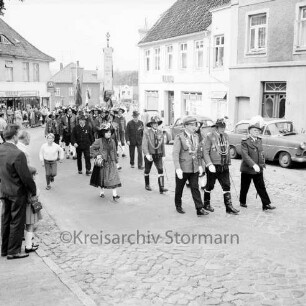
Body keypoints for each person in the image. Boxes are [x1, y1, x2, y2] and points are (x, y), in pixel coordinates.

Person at [0, 124, 37, 259]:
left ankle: (4, 249)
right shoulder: (18, 153)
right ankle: (13, 251)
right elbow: (26, 177)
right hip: (17, 192)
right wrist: (33, 190)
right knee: (16, 221)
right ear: (15, 136)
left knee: (5, 220)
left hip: (4, 190)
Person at [172, 116, 208, 216]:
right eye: (192, 125)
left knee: (195, 188)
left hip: (194, 168)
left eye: (195, 125)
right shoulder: (179, 137)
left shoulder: (196, 136)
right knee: (179, 188)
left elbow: (198, 152)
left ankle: (199, 209)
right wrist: (178, 168)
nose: (194, 127)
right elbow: (175, 153)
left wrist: (200, 166)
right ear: (186, 126)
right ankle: (178, 205)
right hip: (183, 168)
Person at [203, 118, 239, 215]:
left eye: (224, 127)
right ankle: (206, 204)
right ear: (216, 127)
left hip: (224, 165)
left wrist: (228, 162)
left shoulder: (226, 136)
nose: (223, 129)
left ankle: (229, 207)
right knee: (210, 185)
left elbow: (226, 150)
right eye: (220, 127)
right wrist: (209, 164)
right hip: (213, 165)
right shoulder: (210, 137)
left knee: (226, 185)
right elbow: (205, 151)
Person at [239, 116, 275, 211]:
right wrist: (253, 165)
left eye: (258, 130)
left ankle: (266, 204)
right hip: (248, 169)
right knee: (244, 187)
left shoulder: (259, 140)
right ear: (249, 131)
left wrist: (262, 164)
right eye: (255, 130)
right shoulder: (245, 141)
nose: (257, 132)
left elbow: (260, 153)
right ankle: (242, 201)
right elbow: (245, 156)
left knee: (261, 187)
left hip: (258, 169)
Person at [17, 130, 41, 253]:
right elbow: (25, 171)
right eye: (29, 137)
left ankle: (28, 241)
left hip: (20, 188)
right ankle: (28, 245)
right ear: (25, 137)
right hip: (27, 189)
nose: (30, 140)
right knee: (31, 217)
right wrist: (34, 170)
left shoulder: (17, 148)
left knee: (27, 217)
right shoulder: (23, 152)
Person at [90, 123, 121, 201]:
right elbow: (92, 148)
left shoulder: (113, 141)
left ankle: (115, 194)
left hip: (112, 163)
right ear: (103, 133)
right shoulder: (99, 141)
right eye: (107, 132)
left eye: (110, 132)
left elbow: (114, 151)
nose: (109, 133)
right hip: (103, 163)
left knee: (114, 178)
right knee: (102, 179)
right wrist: (97, 155)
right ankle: (101, 192)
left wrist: (116, 162)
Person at [142, 115, 168, 194]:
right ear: (151, 124)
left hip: (158, 155)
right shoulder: (147, 133)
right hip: (150, 154)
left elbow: (162, 144)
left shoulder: (160, 132)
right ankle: (147, 184)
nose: (156, 125)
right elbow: (144, 144)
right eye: (154, 123)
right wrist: (147, 154)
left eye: (157, 123)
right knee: (147, 170)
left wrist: (164, 155)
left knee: (160, 170)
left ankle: (161, 187)